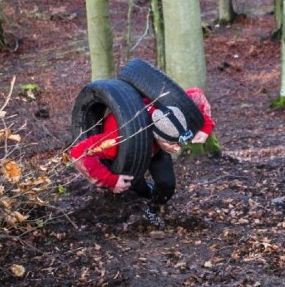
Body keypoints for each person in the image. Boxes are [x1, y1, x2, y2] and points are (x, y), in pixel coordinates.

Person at [70, 87, 215, 224]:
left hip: (155, 148)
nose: (177, 149)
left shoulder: (171, 112)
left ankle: (153, 208)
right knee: (135, 186)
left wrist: (206, 127)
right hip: (128, 149)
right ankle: (142, 194)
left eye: (179, 143)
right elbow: (78, 153)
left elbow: (196, 94)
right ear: (158, 135)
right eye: (172, 144)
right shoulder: (116, 140)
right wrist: (110, 180)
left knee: (167, 185)